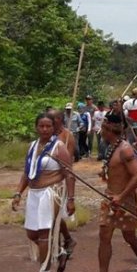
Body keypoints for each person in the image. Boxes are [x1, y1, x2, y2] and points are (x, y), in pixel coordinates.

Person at [11, 112, 76, 272]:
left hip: (50, 193)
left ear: (53, 128)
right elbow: (27, 172)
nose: (45, 129)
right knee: (32, 234)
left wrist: (70, 199)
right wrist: (18, 193)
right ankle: (60, 251)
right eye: (42, 126)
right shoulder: (33, 146)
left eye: (48, 126)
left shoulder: (59, 147)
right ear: (36, 128)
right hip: (34, 193)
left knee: (44, 234)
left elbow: (69, 174)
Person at [96, 114, 137, 272]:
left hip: (124, 199)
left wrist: (121, 196)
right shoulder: (111, 147)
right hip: (110, 198)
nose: (101, 132)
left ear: (109, 129)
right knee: (104, 235)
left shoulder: (125, 149)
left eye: (103, 128)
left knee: (130, 236)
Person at [47, 109, 78, 263]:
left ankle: (58, 247)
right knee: (52, 216)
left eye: (51, 119)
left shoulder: (67, 136)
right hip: (46, 182)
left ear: (59, 119)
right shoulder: (47, 135)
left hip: (60, 182)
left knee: (54, 216)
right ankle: (66, 240)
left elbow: (68, 164)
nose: (49, 121)